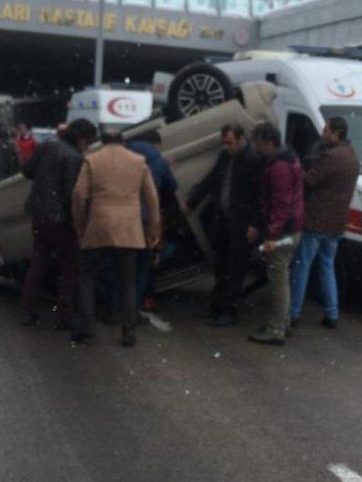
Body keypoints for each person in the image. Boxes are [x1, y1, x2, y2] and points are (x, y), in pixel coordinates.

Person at [71, 130, 161, 347]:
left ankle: (87, 328)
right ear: (123, 143)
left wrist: (80, 226)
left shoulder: (92, 160)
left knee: (86, 275)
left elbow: (78, 195)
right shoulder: (139, 161)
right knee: (128, 282)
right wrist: (153, 230)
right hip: (129, 227)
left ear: (103, 142)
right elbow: (152, 199)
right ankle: (129, 333)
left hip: (99, 225)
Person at [21, 119, 97, 329]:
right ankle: (64, 315)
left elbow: (26, 170)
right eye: (88, 142)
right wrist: (78, 224)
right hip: (58, 219)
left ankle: (28, 312)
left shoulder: (48, 144)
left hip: (38, 213)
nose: (88, 147)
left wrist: (45, 178)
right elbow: (71, 193)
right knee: (71, 265)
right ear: (81, 138)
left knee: (38, 263)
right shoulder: (74, 157)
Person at [183, 124, 261, 326]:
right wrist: (191, 204)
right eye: (225, 143)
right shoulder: (225, 157)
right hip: (224, 222)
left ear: (241, 139)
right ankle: (216, 308)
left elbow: (259, 198)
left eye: (230, 142)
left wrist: (254, 225)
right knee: (221, 268)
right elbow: (210, 180)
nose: (227, 146)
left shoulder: (252, 161)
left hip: (242, 225)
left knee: (235, 271)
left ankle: (229, 312)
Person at [289, 116, 360, 329]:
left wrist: (295, 168)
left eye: (326, 130)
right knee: (327, 266)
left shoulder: (331, 157)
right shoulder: (352, 157)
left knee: (301, 266)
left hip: (317, 220)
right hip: (336, 223)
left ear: (337, 133)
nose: (323, 134)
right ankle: (331, 313)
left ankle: (293, 313)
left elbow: (309, 181)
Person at [247, 123, 304, 345]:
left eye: (259, 144)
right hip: (292, 228)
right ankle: (283, 322)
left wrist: (271, 236)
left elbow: (280, 205)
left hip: (283, 232)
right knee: (282, 278)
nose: (256, 149)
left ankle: (276, 329)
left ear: (270, 142)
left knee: (278, 279)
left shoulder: (279, 167)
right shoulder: (288, 159)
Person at [127, 129, 179, 312]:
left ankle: (116, 306)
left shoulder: (126, 152)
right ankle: (136, 306)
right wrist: (168, 168)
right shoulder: (159, 160)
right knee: (143, 265)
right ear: (156, 144)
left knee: (121, 263)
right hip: (144, 219)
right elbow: (172, 186)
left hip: (123, 217)